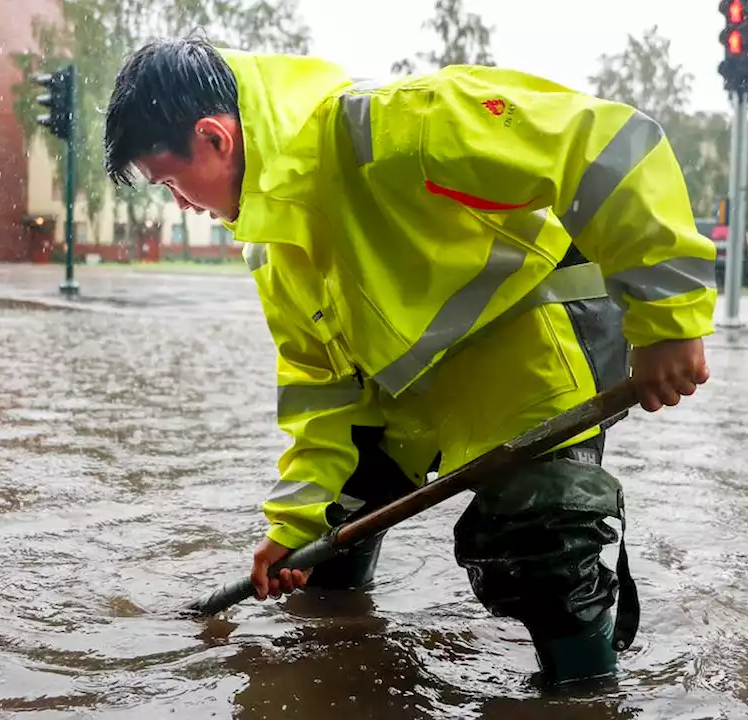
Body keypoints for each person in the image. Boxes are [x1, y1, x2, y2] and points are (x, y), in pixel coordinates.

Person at [103, 36, 716, 688]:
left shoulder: (392, 124)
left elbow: (605, 144)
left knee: (540, 545)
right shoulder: (269, 246)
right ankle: (343, 666)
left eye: (172, 181)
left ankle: (585, 689)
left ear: (215, 138)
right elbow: (322, 392)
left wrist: (669, 319)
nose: (180, 204)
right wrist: (294, 527)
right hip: (411, 401)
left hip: (535, 348)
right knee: (322, 561)